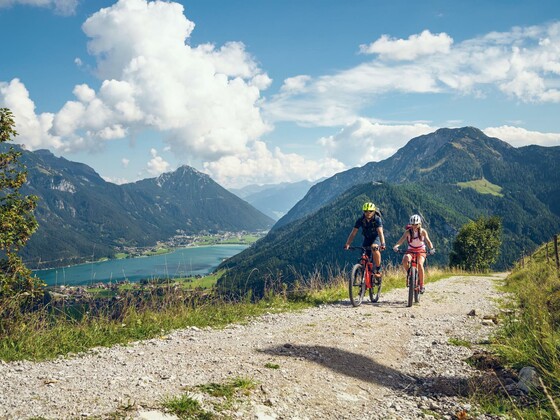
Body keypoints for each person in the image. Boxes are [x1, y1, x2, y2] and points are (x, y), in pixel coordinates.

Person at [393, 214, 435, 293]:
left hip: (421, 250)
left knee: (419, 264)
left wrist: (432, 249)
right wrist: (396, 246)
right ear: (410, 224)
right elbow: (401, 240)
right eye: (413, 224)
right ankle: (410, 273)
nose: (414, 226)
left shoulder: (423, 232)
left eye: (416, 224)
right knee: (405, 260)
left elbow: (428, 241)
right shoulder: (408, 232)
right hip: (411, 249)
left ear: (419, 224)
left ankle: (422, 285)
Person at [344, 202, 386, 278]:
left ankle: (378, 269)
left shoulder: (377, 219)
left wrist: (383, 244)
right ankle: (363, 281)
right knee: (363, 257)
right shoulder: (360, 220)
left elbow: (380, 232)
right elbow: (353, 233)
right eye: (366, 211)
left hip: (376, 237)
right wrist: (347, 244)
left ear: (374, 211)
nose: (368, 213)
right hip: (367, 238)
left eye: (370, 211)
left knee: (374, 248)